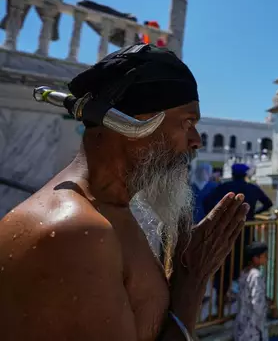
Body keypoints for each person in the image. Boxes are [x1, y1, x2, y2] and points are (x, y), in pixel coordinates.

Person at [0, 43, 250, 340]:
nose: (196, 140)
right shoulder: (78, 231)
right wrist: (192, 282)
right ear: (133, 123)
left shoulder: (111, 211)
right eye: (187, 122)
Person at [204, 163, 273, 311]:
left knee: (225, 267)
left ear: (233, 174)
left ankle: (220, 306)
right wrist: (253, 215)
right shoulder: (252, 188)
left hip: (228, 232)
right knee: (246, 264)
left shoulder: (225, 186)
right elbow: (269, 203)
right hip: (247, 234)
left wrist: (220, 216)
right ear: (245, 175)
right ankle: (248, 301)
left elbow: (207, 201)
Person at [234, 242, 270, 341]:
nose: (267, 258)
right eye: (265, 256)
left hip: (241, 325)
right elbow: (258, 305)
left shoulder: (244, 272)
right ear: (255, 258)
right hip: (253, 330)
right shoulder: (256, 276)